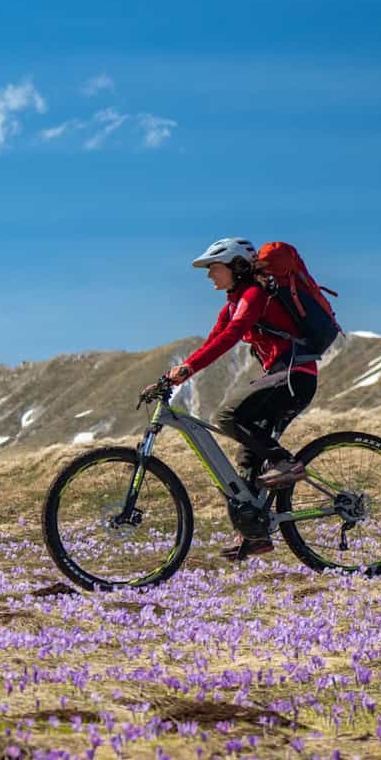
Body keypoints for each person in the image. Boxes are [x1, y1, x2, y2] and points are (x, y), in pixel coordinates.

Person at [165, 237, 320, 561]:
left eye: (214, 268)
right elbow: (214, 340)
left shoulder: (254, 295)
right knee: (247, 457)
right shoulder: (232, 303)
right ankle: (255, 534)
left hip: (294, 374)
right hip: (281, 376)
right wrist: (174, 375)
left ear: (236, 267)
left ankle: (286, 463)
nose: (210, 275)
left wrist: (189, 367)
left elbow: (233, 336)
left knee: (228, 416)